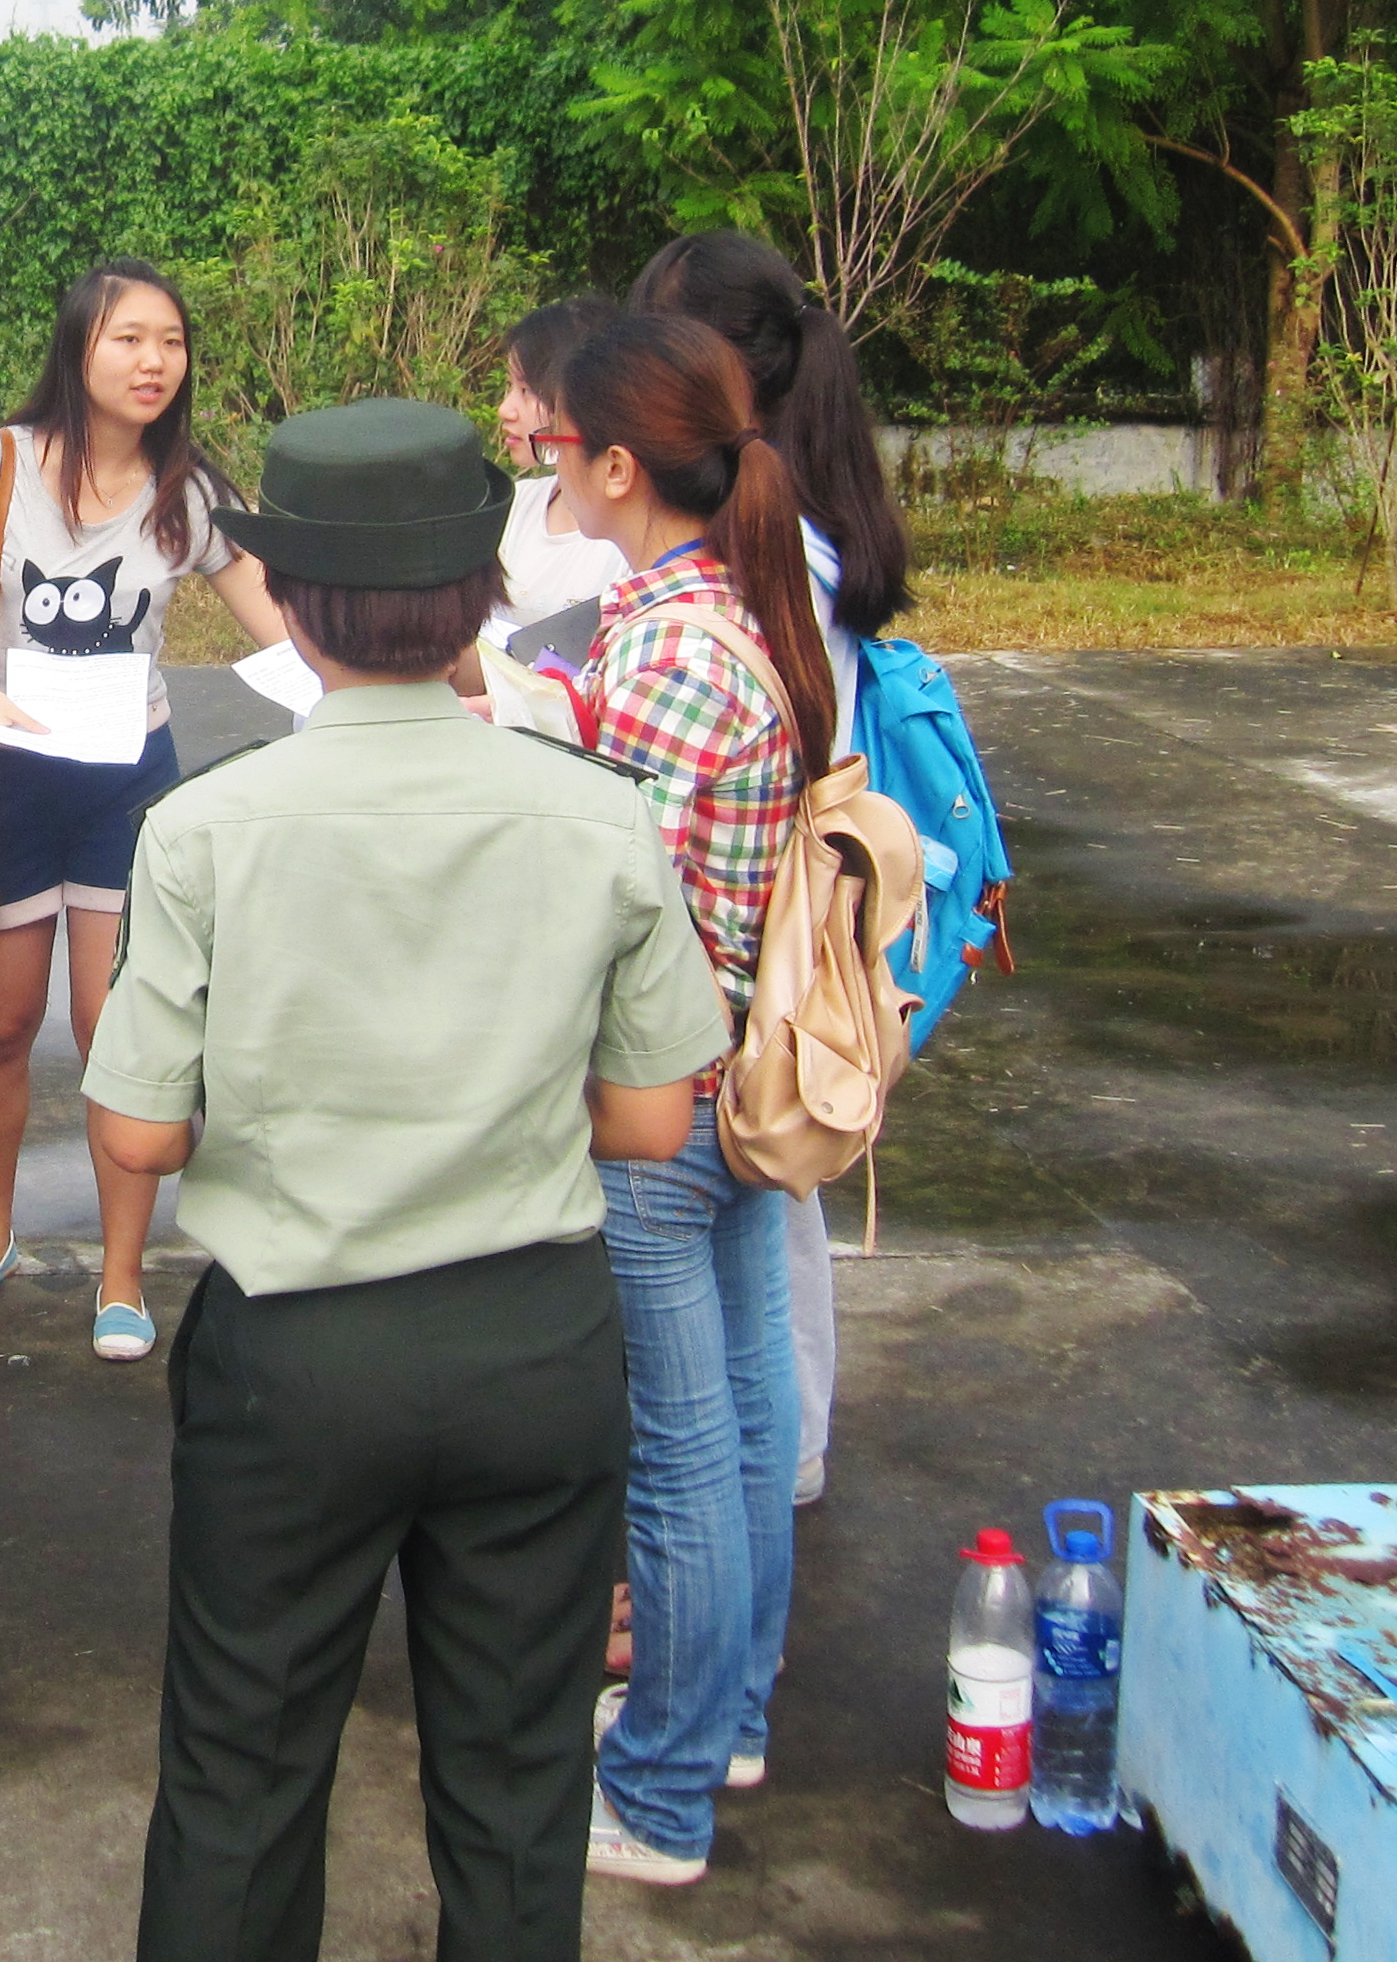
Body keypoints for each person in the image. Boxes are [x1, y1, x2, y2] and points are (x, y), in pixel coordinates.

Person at [83, 398, 728, 1962]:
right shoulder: (595, 811)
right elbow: (652, 1120)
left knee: (238, 1780)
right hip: (533, 1343)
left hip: (294, 1360)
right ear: (482, 599)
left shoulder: (203, 826)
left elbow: (137, 1133)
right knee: (515, 1796)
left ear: (292, 612)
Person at [545, 309, 840, 1884]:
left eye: (554, 440)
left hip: (664, 1106)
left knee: (677, 1456)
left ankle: (660, 1793)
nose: (540, 463)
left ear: (615, 464)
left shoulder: (669, 649)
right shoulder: (729, 611)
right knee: (740, 1421)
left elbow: (611, 898)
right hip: (733, 1085)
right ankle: (724, 1720)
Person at [0, 259, 287, 1364]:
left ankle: (120, 1276)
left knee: (118, 1032)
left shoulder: (186, 490)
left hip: (125, 782)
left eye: (171, 341)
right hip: (2, 775)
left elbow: (279, 624)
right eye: (128, 339)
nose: (154, 361)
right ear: (78, 348)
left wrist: (382, 669)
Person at [630, 231, 914, 1511]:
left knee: (760, 1173)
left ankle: (771, 1456)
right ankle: (778, 1452)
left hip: (754, 915)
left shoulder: (761, 540)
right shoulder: (800, 509)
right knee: (772, 1179)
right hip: (795, 906)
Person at [488, 295, 626, 649]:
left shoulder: (627, 539)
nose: (505, 409)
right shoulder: (514, 505)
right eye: (509, 387)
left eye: (527, 391)